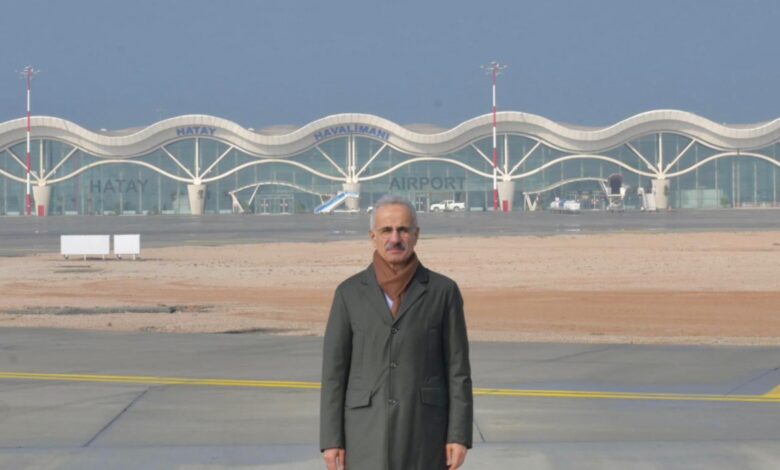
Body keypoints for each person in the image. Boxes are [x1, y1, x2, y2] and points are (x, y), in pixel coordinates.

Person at [320, 194, 473, 470]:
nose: (395, 238)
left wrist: (459, 435)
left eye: (403, 229)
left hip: (425, 433)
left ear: (416, 235)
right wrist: (332, 440)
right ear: (373, 236)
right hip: (364, 433)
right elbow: (334, 374)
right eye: (386, 230)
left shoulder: (443, 292)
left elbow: (457, 370)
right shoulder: (348, 293)